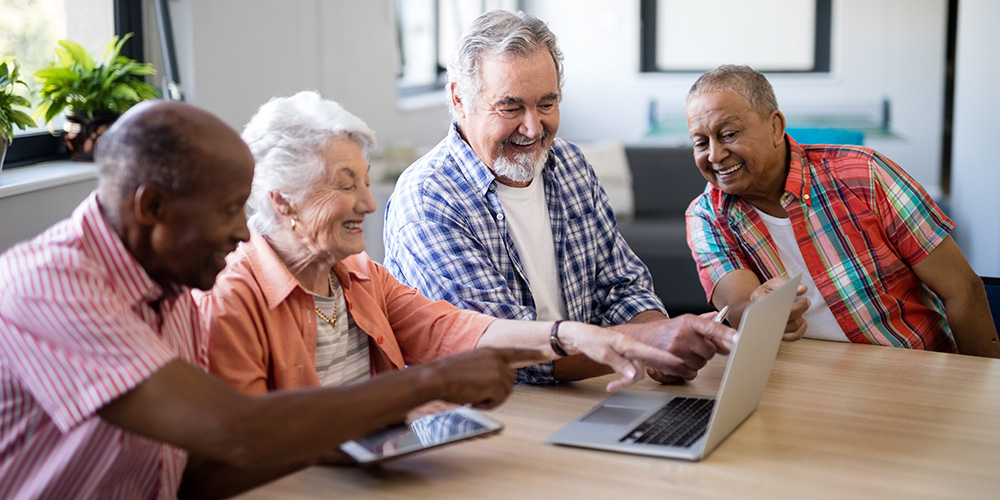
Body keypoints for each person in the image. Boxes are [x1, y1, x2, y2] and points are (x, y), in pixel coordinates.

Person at [0, 100, 555, 498]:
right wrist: (430, 383)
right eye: (226, 211)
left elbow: (199, 474)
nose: (244, 235)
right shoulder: (50, 287)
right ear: (151, 208)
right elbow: (236, 430)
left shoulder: (170, 289)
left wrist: (344, 438)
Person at [197, 91, 727, 398]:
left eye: (365, 182)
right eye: (345, 184)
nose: (369, 203)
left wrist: (579, 336)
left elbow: (459, 328)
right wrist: (406, 401)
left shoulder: (358, 276)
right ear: (283, 200)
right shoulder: (232, 297)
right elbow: (246, 445)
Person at [383, 10, 731, 385]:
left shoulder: (568, 163)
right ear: (459, 98)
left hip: (579, 392)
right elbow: (507, 351)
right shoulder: (428, 201)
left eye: (546, 104)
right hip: (486, 413)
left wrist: (660, 341)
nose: (533, 128)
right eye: (511, 107)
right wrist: (647, 344)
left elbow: (621, 285)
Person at [684, 64, 1000, 358]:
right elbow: (740, 307)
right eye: (700, 142)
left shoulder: (864, 173)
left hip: (912, 365)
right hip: (804, 382)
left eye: (728, 134)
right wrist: (760, 311)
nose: (715, 155)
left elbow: (963, 290)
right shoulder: (707, 217)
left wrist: (986, 394)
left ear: (776, 126)